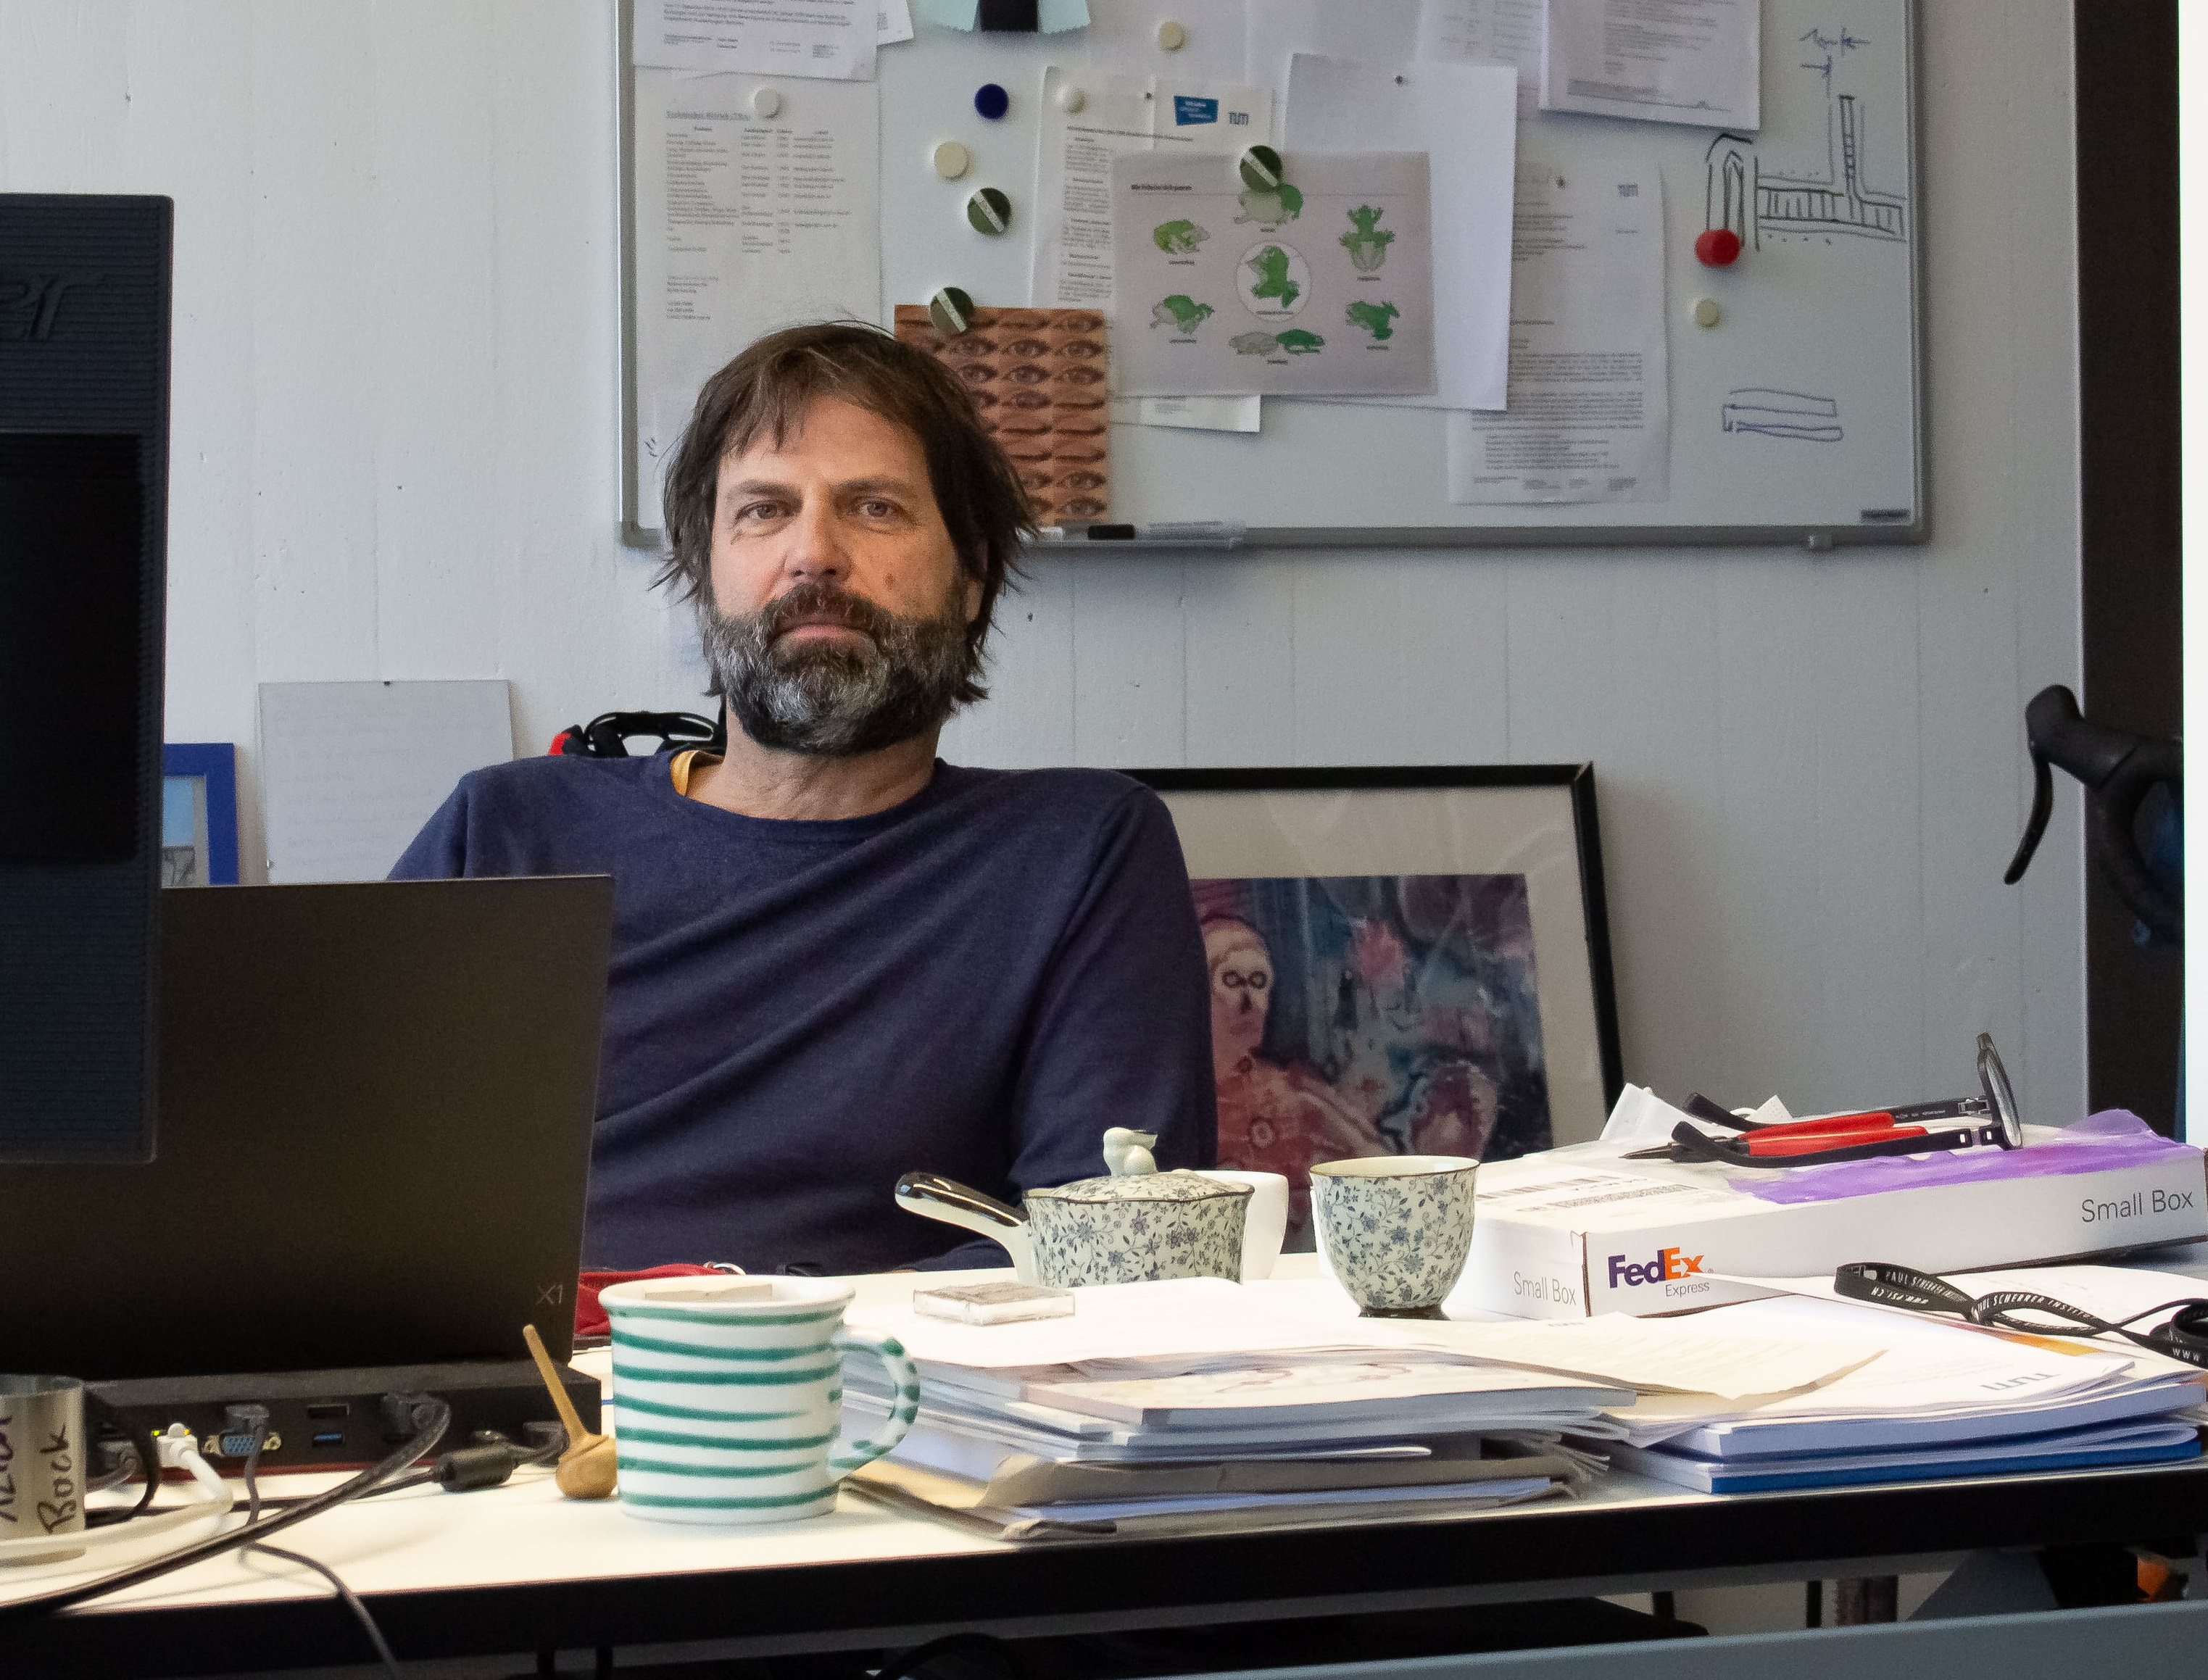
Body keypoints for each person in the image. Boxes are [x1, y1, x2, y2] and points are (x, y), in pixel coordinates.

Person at [392, 323, 1215, 1273]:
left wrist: (750, 1350)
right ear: (704, 579)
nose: (813, 553)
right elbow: (333, 1180)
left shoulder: (1077, 854)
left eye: (874, 507)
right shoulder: (509, 830)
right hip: (537, 1404)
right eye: (763, 510)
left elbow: (1113, 1253)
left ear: (971, 577)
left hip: (882, 1406)